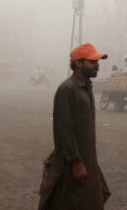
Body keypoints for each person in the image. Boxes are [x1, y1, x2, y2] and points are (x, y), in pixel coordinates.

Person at [38, 43, 111, 210]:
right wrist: (76, 162)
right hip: (72, 162)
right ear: (78, 64)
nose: (97, 66)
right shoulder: (67, 89)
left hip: (88, 158)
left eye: (97, 62)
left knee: (91, 200)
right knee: (68, 202)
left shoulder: (86, 86)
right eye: (92, 62)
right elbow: (63, 129)